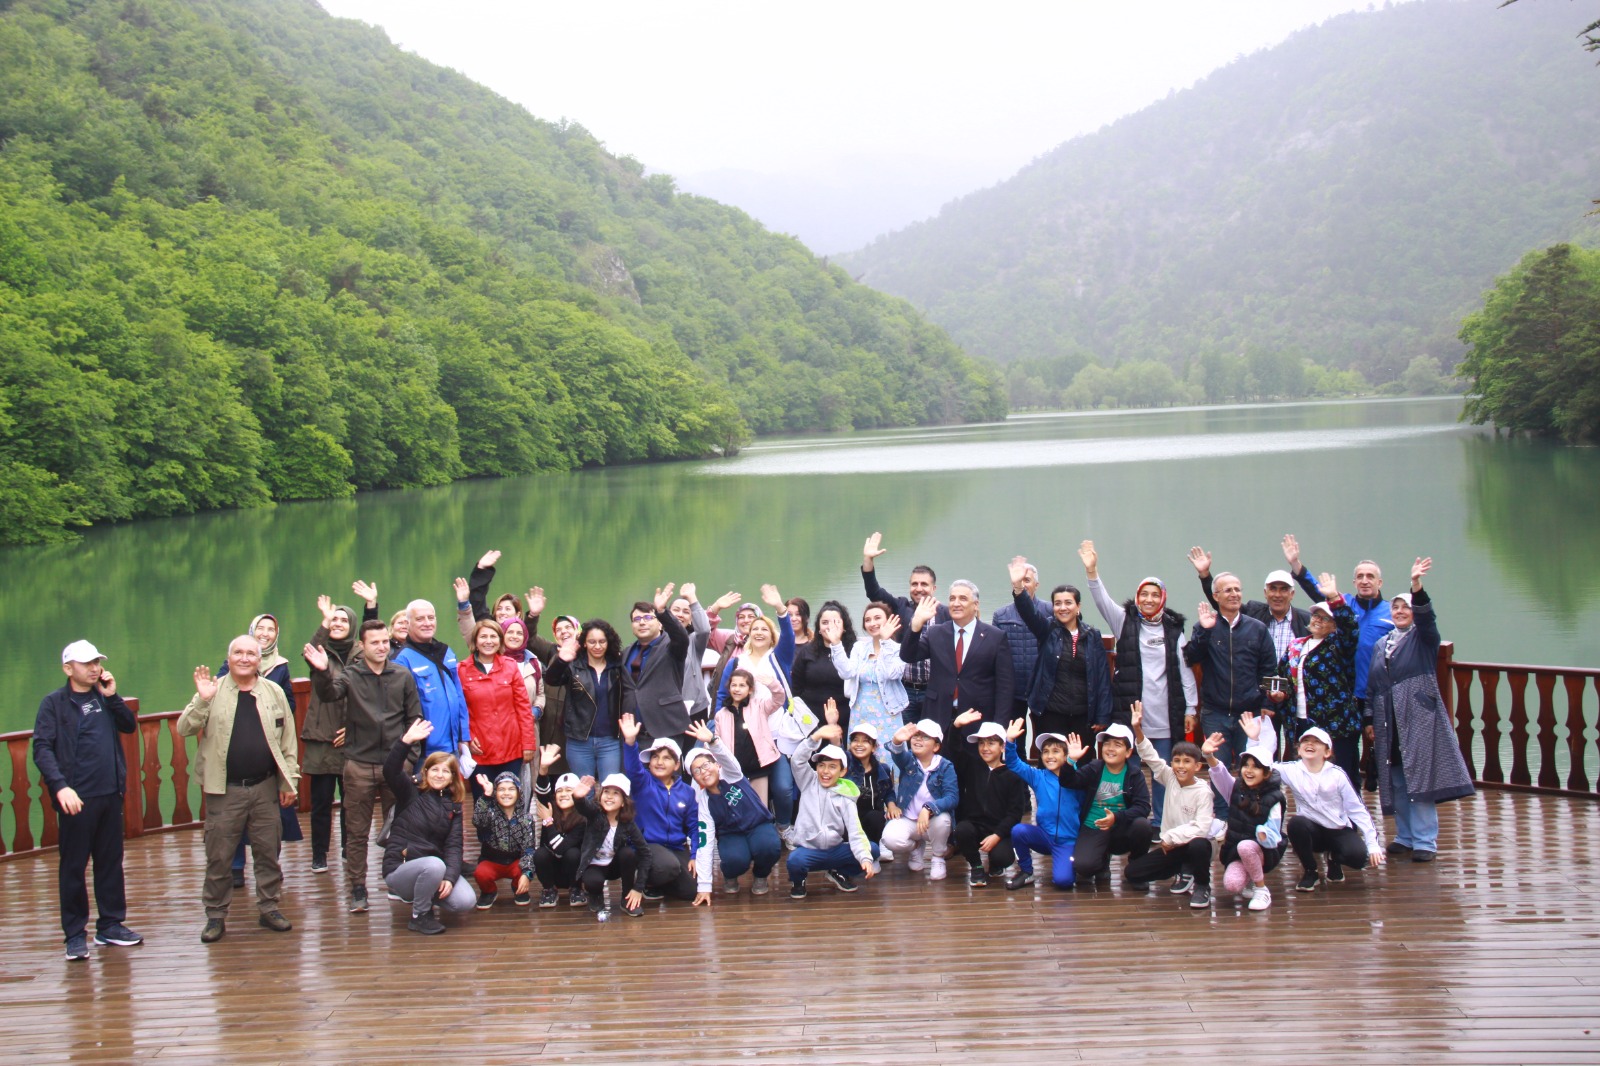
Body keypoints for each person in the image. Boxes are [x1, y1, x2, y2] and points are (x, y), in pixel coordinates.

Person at [177, 635, 300, 943]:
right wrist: (202, 699)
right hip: (224, 790)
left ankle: (269, 907)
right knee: (219, 856)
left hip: (264, 788)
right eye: (238, 653)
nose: (245, 658)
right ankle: (215, 915)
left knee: (268, 852)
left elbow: (288, 741)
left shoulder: (273, 691)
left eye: (251, 653)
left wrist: (291, 780)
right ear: (229, 658)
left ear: (260, 660)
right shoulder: (213, 690)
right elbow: (184, 728)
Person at [304, 620, 423, 914]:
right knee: (357, 832)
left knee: (400, 828)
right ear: (363, 645)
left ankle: (398, 882)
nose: (382, 647)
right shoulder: (352, 675)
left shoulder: (402, 675)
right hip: (359, 765)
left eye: (385, 641)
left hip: (396, 766)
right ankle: (358, 887)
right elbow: (329, 693)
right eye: (375, 642)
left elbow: (414, 718)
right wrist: (320, 671)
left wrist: (409, 758)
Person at [33, 640, 142, 960]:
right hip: (76, 799)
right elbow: (42, 748)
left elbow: (128, 725)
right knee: (73, 868)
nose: (95, 668)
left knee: (110, 864)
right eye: (87, 663)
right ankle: (74, 935)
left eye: (97, 662)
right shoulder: (53, 704)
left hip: (110, 794)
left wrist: (113, 697)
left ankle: (110, 925)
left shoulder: (103, 696)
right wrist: (60, 787)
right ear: (69, 669)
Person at [1080, 540, 1198, 827]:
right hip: (1131, 716)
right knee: (1128, 771)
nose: (1147, 599)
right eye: (1143, 594)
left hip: (1165, 715)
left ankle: (1160, 822)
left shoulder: (1173, 629)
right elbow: (1101, 601)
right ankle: (1128, 819)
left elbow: (1185, 672)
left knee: (1162, 771)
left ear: (1162, 598)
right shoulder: (1125, 622)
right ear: (1137, 596)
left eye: (1154, 595)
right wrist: (1092, 572)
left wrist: (1191, 708)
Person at [1367, 557, 1474, 863]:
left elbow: (1428, 619)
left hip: (1419, 719)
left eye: (1406, 608)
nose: (1400, 612)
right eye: (1396, 608)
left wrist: (1416, 586)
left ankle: (1426, 841)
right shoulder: (1381, 645)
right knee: (1397, 779)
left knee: (1421, 781)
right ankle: (1405, 836)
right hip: (1389, 722)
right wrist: (1370, 719)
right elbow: (1373, 686)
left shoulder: (1425, 639)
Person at [1283, 535, 1395, 790]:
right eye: (1360, 576)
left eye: (1370, 576)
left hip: (1377, 691)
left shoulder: (1391, 611)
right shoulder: (1342, 605)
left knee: (1385, 751)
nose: (1365, 580)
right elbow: (1318, 593)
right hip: (1346, 693)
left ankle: (1385, 801)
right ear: (1354, 581)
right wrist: (1297, 566)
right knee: (1345, 753)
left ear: (1380, 582)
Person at [1241, 715, 1384, 891]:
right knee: (1295, 824)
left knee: (1359, 857)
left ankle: (1334, 859)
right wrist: (1254, 739)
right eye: (1305, 741)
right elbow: (1263, 766)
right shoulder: (1291, 769)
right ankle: (1311, 871)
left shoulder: (1337, 774)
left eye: (1316, 742)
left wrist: (1372, 843)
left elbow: (1357, 809)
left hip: (1337, 828)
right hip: (1311, 829)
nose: (1309, 744)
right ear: (1299, 750)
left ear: (1327, 752)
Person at [1183, 572, 1277, 804]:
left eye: (1237, 589)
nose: (1234, 594)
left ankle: (1252, 815)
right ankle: (1223, 819)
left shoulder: (1257, 629)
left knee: (1252, 768)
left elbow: (1269, 668)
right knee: (1218, 768)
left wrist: (1266, 703)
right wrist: (1204, 631)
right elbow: (1191, 657)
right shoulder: (1204, 626)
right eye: (1228, 590)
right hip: (1216, 712)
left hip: (1250, 713)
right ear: (1216, 596)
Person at [714, 585, 800, 827]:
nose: (759, 632)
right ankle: (749, 826)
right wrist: (715, 726)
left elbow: (789, 635)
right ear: (748, 634)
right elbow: (723, 696)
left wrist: (780, 608)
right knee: (743, 784)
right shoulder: (737, 661)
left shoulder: (778, 657)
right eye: (754, 629)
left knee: (783, 788)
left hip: (776, 733)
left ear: (772, 635)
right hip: (746, 736)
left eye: (764, 628)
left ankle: (784, 826)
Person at [382, 719, 476, 935]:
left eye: (446, 771)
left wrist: (450, 879)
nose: (439, 775)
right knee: (434, 865)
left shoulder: (454, 805)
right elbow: (391, 771)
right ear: (426, 771)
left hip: (434, 870)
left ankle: (425, 893)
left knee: (466, 900)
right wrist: (405, 741)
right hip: (401, 868)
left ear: (453, 777)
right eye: (435, 769)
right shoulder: (410, 792)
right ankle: (420, 915)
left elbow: (454, 848)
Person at [228, 613, 302, 887]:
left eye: (271, 629)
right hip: (237, 745)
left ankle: (269, 867)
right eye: (261, 628)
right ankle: (235, 867)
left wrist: (269, 707)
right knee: (233, 816)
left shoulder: (281, 667)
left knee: (271, 818)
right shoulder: (233, 663)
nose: (265, 633)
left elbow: (289, 704)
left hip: (270, 748)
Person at [1008, 556, 1112, 747]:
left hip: (1083, 714)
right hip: (1051, 713)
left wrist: (1103, 714)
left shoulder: (1091, 635)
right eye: (1057, 603)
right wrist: (1018, 587)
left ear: (1078, 607)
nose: (1062, 608)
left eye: (1068, 603)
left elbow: (1102, 676)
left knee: (1082, 766)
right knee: (1050, 762)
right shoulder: (1047, 629)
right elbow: (1028, 612)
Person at [1268, 575, 1361, 785]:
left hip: (1336, 726)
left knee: (1342, 779)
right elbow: (1280, 676)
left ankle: (1349, 819)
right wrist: (1275, 694)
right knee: (1308, 780)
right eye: (1315, 616)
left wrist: (1335, 598)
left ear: (1334, 625)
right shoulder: (1296, 645)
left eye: (1324, 618)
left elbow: (1351, 628)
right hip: (1301, 723)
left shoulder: (1338, 646)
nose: (1317, 620)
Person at [1122, 704, 1215, 907]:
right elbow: (1150, 757)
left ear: (1197, 766)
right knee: (1132, 873)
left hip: (1190, 845)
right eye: (1177, 761)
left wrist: (1172, 837)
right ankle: (1183, 869)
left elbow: (1201, 828)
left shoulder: (1203, 792)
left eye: (1187, 762)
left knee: (1199, 844)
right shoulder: (1170, 777)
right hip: (1171, 847)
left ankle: (1202, 885)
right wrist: (1137, 729)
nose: (1181, 766)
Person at [900, 579, 1014, 737]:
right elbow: (908, 655)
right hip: (938, 717)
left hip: (977, 718)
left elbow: (1005, 686)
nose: (956, 603)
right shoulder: (936, 633)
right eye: (952, 599)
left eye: (963, 598)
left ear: (976, 604)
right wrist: (916, 625)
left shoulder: (995, 637)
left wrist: (999, 726)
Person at [684, 721, 782, 898]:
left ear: (717, 765)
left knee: (769, 846)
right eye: (697, 771)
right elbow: (705, 843)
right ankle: (730, 875)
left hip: (758, 825)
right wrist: (704, 887)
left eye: (706, 765)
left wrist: (713, 741)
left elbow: (727, 758)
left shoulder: (732, 775)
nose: (704, 772)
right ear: (695, 780)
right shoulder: (705, 802)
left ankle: (760, 875)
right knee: (735, 860)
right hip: (731, 834)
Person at [860, 531, 949, 722]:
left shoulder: (946, 615)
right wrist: (868, 561)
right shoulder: (901, 607)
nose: (918, 588)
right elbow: (873, 591)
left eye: (924, 584)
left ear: (934, 588)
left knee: (932, 740)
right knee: (904, 740)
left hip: (934, 691)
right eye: (914, 584)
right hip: (903, 689)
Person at [785, 726, 878, 899]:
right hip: (809, 850)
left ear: (842, 772)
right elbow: (797, 760)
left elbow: (855, 832)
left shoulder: (846, 795)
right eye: (822, 766)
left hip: (834, 850)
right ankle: (799, 881)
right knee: (795, 861)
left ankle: (838, 872)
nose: (825, 772)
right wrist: (816, 737)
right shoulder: (808, 781)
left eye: (832, 767)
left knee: (871, 850)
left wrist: (865, 859)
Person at [301, 596, 357, 875]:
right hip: (322, 737)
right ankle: (320, 853)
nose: (338, 624)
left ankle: (349, 848)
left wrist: (355, 728)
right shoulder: (320, 653)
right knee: (321, 802)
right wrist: (324, 618)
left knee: (351, 799)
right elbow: (312, 648)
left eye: (343, 620)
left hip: (352, 737)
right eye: (335, 620)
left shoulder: (360, 653)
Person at [1057, 723, 1151, 887]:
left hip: (1121, 827)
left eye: (1117, 744)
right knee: (1083, 867)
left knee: (1142, 826)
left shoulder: (1135, 774)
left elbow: (1143, 807)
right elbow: (1068, 781)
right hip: (1093, 825)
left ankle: (1137, 867)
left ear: (1128, 752)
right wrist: (1070, 761)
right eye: (1107, 743)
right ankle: (1101, 860)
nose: (1110, 748)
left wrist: (1117, 817)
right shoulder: (1095, 767)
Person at [1188, 539, 1310, 666]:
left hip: (1294, 684)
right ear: (1265, 593)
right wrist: (1205, 575)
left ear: (1292, 594)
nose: (1277, 595)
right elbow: (1225, 603)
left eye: (1284, 589)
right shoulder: (1253, 612)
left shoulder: (1306, 621)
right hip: (1260, 683)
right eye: (1273, 589)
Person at [620, 713, 698, 904]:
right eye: (655, 757)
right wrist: (630, 742)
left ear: (677, 764)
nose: (659, 762)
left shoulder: (687, 792)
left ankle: (659, 882)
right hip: (646, 846)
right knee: (668, 866)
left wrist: (695, 855)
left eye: (666, 758)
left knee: (691, 890)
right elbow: (633, 768)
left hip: (675, 847)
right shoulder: (643, 782)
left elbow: (695, 827)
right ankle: (645, 881)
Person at [1204, 733, 1285, 912]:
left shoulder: (1275, 798)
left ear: (1266, 773)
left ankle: (1261, 888)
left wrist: (1262, 834)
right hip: (1236, 851)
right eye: (1246, 766)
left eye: (1255, 767)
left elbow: (1274, 838)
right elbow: (1220, 776)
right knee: (1232, 885)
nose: (1248, 771)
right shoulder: (1236, 788)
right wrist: (1209, 756)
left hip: (1263, 852)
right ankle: (1248, 878)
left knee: (1246, 846)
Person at [948, 716, 1031, 888]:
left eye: (991, 743)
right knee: (962, 830)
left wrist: (997, 835)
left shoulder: (1012, 774)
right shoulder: (971, 765)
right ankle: (976, 866)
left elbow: (1015, 812)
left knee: (1002, 857)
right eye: (981, 743)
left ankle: (995, 863)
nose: (985, 748)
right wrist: (956, 726)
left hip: (999, 829)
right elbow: (955, 750)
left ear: (1002, 747)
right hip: (974, 825)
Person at [457, 618, 535, 800]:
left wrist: (528, 744)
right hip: (480, 751)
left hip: (511, 748)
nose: (488, 641)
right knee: (483, 804)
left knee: (509, 802)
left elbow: (523, 708)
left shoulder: (510, 667)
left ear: (500, 641)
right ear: (475, 641)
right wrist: (467, 738)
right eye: (483, 636)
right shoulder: (461, 670)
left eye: (493, 636)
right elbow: (459, 711)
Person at [1002, 723, 1082, 890]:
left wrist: (1072, 762)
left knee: (1063, 882)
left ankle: (1075, 864)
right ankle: (1026, 871)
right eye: (1045, 752)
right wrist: (1009, 741)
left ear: (1066, 754)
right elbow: (1014, 763)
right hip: (1045, 836)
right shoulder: (1038, 776)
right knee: (1018, 831)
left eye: (1055, 751)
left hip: (1068, 841)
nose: (1049, 756)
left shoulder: (1078, 777)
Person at [544, 619, 625, 781]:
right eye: (592, 642)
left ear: (609, 642)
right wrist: (561, 660)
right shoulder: (574, 666)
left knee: (610, 788)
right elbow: (551, 679)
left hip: (610, 740)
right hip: (579, 740)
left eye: (602, 641)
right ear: (584, 643)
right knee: (583, 789)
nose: (597, 646)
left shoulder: (617, 666)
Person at [828, 602, 908, 763]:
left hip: (888, 714)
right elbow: (846, 672)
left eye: (877, 618)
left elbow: (890, 673)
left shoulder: (898, 649)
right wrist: (836, 644)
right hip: (860, 712)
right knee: (860, 757)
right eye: (868, 620)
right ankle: (861, 789)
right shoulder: (859, 647)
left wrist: (885, 643)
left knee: (888, 757)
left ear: (888, 621)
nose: (872, 623)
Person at [879, 719, 959, 880]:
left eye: (925, 737)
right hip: (908, 818)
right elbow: (898, 755)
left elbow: (952, 797)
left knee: (944, 820)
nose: (918, 739)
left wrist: (929, 808)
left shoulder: (945, 766)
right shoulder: (909, 761)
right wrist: (897, 740)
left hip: (932, 821)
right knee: (890, 839)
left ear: (936, 746)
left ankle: (937, 857)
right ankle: (915, 847)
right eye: (916, 736)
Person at [393, 599, 470, 760]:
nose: (427, 623)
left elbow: (458, 696)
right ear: (408, 624)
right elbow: (396, 709)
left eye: (431, 618)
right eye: (420, 619)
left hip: (453, 747)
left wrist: (464, 737)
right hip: (423, 752)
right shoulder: (401, 660)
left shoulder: (446, 652)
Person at [620, 584, 693, 752]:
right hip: (633, 732)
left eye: (648, 618)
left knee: (666, 777)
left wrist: (662, 611)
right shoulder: (626, 653)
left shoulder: (672, 647)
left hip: (665, 728)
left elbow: (681, 636)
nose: (642, 623)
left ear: (660, 624)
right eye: (637, 620)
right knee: (634, 777)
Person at [572, 773, 652, 920]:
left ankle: (627, 898)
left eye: (616, 793)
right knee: (593, 882)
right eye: (606, 792)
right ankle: (595, 896)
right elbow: (584, 807)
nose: (609, 796)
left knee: (628, 853)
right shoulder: (595, 813)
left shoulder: (627, 823)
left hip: (614, 865)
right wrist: (578, 798)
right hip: (594, 866)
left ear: (623, 802)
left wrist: (638, 888)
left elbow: (645, 853)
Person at [991, 560, 1048, 723]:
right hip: (1013, 689)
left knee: (1046, 740)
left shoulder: (1050, 611)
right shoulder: (1001, 615)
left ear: (1037, 585)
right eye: (1019, 580)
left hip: (1042, 688)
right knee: (1014, 738)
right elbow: (995, 653)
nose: (1023, 585)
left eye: (1027, 580)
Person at [713, 668, 780, 805]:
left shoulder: (759, 705)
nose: (737, 689)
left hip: (757, 767)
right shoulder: (721, 714)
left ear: (750, 689)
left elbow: (778, 699)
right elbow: (717, 742)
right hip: (734, 771)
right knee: (737, 806)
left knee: (760, 805)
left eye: (742, 685)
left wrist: (772, 684)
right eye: (734, 685)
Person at [470, 771, 537, 908]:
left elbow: (529, 849)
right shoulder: (490, 813)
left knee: (524, 870)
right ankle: (489, 892)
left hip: (515, 862)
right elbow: (478, 820)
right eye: (501, 789)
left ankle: (518, 888)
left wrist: (527, 873)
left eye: (511, 789)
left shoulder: (526, 819)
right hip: (492, 860)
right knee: (480, 873)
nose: (506, 793)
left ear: (519, 793)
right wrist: (486, 795)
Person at [794, 600, 857, 735]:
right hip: (810, 722)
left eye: (836, 622)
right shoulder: (807, 652)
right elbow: (796, 688)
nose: (830, 627)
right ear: (818, 628)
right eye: (825, 623)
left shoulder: (855, 651)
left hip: (846, 720)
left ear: (844, 626)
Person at [532, 772, 588, 907]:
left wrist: (548, 822)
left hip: (574, 872)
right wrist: (543, 771)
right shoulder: (550, 811)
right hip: (553, 872)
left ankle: (576, 889)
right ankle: (549, 889)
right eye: (559, 791)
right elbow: (542, 793)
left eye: (569, 790)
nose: (563, 794)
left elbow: (562, 849)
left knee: (573, 853)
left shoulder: (583, 819)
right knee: (540, 854)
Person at [844, 723, 894, 859]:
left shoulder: (882, 769)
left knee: (876, 817)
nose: (859, 744)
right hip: (849, 821)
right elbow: (837, 752)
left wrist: (891, 804)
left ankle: (874, 850)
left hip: (870, 819)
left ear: (874, 747)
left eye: (865, 741)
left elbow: (888, 790)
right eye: (855, 740)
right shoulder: (845, 766)